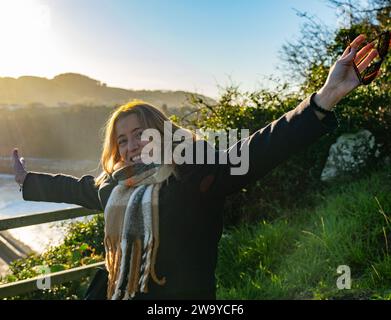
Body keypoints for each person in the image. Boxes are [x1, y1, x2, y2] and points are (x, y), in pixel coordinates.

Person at [11, 34, 384, 300]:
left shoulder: (192, 172)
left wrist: (323, 99)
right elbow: (76, 189)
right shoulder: (115, 186)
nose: (130, 145)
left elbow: (257, 150)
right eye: (122, 139)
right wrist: (28, 180)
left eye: (139, 133)